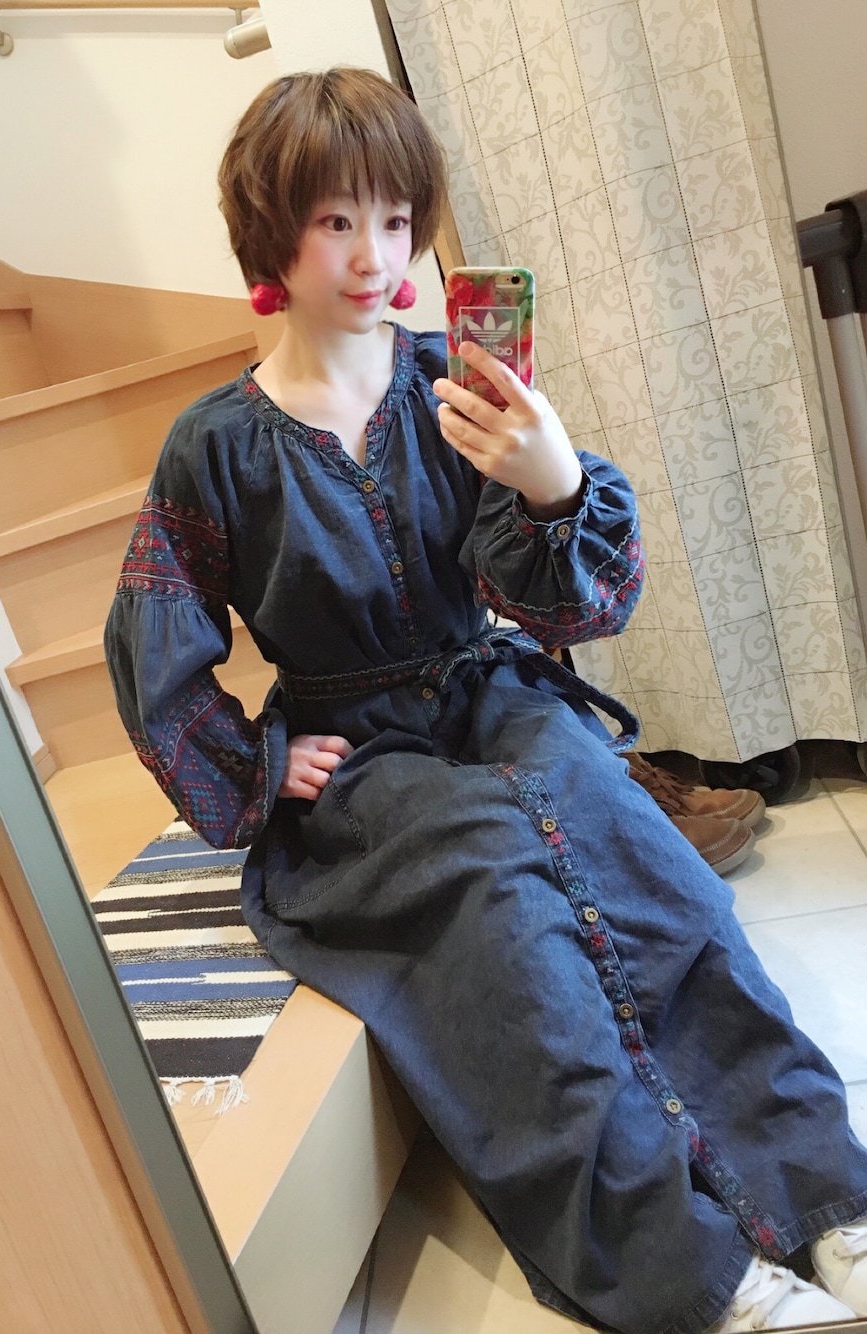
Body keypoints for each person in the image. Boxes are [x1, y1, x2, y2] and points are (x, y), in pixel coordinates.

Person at [104, 66, 867, 1334]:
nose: (372, 253)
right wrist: (255, 763)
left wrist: (552, 480)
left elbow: (567, 603)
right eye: (335, 220)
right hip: (363, 751)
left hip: (493, 691)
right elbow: (155, 638)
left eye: (394, 218)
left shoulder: (453, 389)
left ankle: (825, 1198)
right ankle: (691, 1270)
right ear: (269, 232)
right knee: (498, 899)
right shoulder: (215, 446)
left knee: (649, 870)